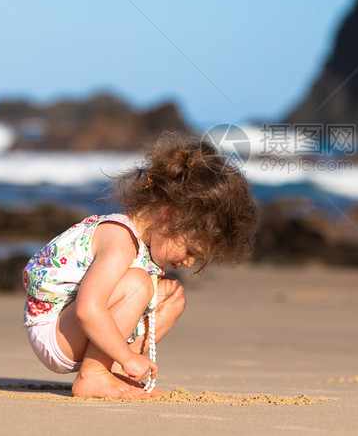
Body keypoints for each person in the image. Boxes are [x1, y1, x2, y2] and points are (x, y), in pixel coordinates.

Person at [22, 133, 259, 399]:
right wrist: (126, 356)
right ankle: (94, 375)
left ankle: (114, 374)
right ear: (168, 216)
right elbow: (88, 310)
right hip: (54, 331)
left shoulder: (143, 246)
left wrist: (127, 361)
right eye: (191, 251)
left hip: (79, 330)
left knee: (172, 294)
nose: (189, 262)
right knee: (138, 284)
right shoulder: (119, 238)